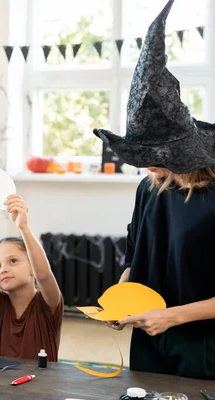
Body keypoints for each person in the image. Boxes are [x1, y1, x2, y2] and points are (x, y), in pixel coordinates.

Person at [93, 0, 215, 379]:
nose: (145, 164)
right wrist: (120, 298)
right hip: (149, 336)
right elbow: (134, 255)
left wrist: (172, 317)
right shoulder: (149, 188)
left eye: (153, 155)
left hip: (201, 342)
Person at [0, 194, 63, 361]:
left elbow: (44, 275)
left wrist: (23, 228)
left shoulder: (48, 303)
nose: (3, 270)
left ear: (32, 266)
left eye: (13, 261)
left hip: (41, 385)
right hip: (2, 384)